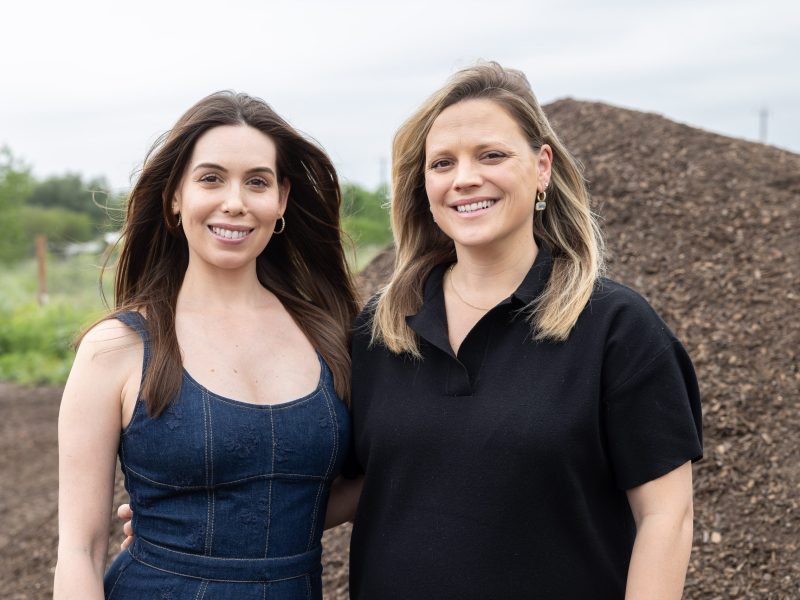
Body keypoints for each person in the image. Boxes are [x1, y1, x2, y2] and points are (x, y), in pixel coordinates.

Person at [346, 62, 702, 599]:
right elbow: (337, 486)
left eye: (491, 155)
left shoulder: (617, 329)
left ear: (541, 167)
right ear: (424, 185)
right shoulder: (381, 329)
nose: (465, 178)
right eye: (443, 163)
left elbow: (666, 516)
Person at [54, 91, 359, 599]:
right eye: (211, 178)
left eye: (257, 182)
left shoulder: (331, 336)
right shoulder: (118, 348)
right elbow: (79, 552)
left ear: (281, 199)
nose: (235, 201)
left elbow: (342, 484)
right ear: (176, 196)